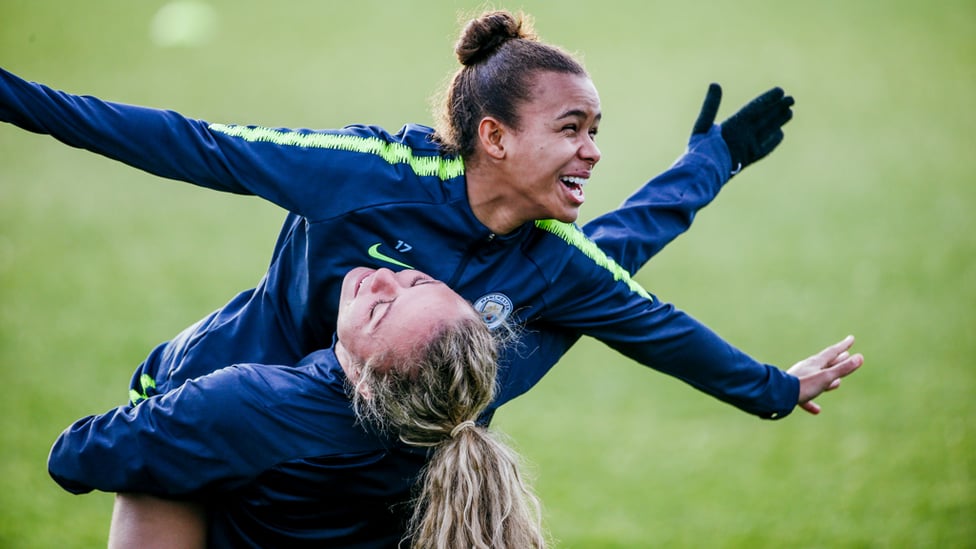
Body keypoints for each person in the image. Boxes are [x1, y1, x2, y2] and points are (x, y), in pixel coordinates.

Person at [8, 5, 859, 541]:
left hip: (363, 485)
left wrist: (772, 386)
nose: (594, 150)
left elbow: (643, 300)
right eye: (572, 127)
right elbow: (201, 145)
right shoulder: (371, 173)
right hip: (226, 424)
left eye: (597, 128)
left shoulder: (553, 263)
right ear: (493, 136)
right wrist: (17, 98)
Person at [50, 267, 547, 548]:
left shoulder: (249, 405)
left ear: (369, 388)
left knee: (161, 470)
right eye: (420, 283)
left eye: (378, 310)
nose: (380, 281)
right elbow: (590, 273)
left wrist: (173, 385)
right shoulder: (462, 410)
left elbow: (73, 456)